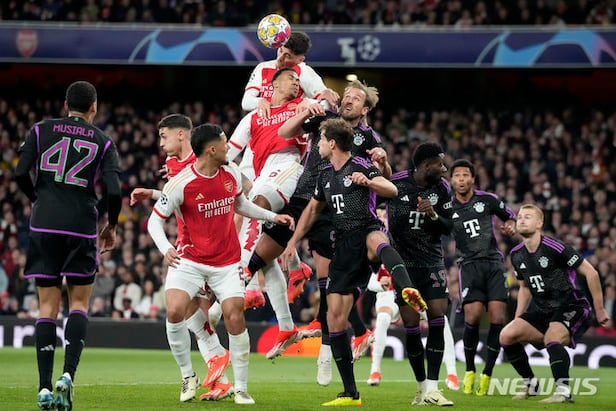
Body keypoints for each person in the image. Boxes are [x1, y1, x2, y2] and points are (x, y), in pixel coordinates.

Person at [280, 118, 426, 406]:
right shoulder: (324, 174)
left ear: (332, 143)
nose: (318, 145)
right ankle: (350, 393)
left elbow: (391, 189)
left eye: (321, 140)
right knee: (334, 317)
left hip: (366, 229)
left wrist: (369, 181)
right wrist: (292, 241)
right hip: (343, 247)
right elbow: (312, 210)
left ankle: (408, 288)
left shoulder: (359, 164)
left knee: (377, 241)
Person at [147, 123, 294, 404]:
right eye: (225, 142)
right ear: (212, 150)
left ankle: (241, 388)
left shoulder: (232, 173)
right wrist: (166, 248)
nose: (230, 147)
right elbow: (154, 221)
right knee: (174, 310)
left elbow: (241, 205)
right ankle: (187, 376)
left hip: (226, 262)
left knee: (234, 316)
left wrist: (272, 217)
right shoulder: (180, 183)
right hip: (190, 259)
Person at [253, 80, 390, 376]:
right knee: (260, 255)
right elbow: (284, 132)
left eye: (356, 98)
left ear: (365, 109)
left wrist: (382, 162)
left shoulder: (369, 138)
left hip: (331, 210)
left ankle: (326, 355)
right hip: (302, 198)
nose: (348, 100)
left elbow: (382, 176)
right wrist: (305, 110)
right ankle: (287, 323)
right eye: (347, 95)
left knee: (329, 284)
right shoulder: (324, 119)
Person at [14, 80, 122, 411]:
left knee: (47, 308)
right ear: (94, 107)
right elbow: (114, 191)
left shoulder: (39, 130)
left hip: (44, 225)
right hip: (80, 227)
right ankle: (67, 376)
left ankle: (44, 388)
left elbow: (19, 173)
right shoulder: (103, 141)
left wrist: (38, 199)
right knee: (78, 304)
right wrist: (110, 225)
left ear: (65, 104)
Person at [130, 114, 232, 400]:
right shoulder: (173, 164)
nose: (161, 143)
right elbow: (177, 197)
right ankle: (198, 375)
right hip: (186, 247)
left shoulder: (208, 161)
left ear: (181, 135)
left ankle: (219, 375)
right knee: (181, 312)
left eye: (164, 136)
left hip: (212, 251)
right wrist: (153, 193)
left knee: (197, 316)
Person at [228, 67, 313, 359]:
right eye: (292, 79)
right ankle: (287, 326)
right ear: (274, 85)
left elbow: (323, 105)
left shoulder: (301, 106)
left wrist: (315, 101)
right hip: (265, 172)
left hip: (290, 164)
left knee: (258, 203)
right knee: (266, 252)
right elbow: (227, 153)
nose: (297, 83)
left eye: (299, 81)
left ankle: (244, 279)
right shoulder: (254, 116)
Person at [499, 203, 612, 403]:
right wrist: (518, 318)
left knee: (552, 336)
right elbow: (524, 288)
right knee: (507, 335)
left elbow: (591, 273)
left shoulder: (555, 247)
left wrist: (600, 309)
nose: (521, 220)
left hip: (571, 305)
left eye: (527, 217)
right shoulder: (516, 254)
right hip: (543, 309)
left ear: (539, 223)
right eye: (520, 217)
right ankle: (531, 385)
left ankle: (563, 392)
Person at [385, 142, 455, 406]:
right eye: (439, 164)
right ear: (426, 165)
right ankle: (421, 387)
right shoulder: (396, 184)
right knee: (411, 325)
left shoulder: (442, 189)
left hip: (432, 263)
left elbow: (448, 227)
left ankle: (434, 389)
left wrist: (433, 215)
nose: (444, 169)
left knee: (437, 318)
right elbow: (373, 203)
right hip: (404, 267)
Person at [449, 159, 517, 395]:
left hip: (493, 264)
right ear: (451, 180)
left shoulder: (487, 200)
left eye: (465, 175)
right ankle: (469, 370)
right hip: (469, 266)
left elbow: (509, 217)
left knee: (497, 317)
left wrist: (510, 225)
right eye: (457, 175)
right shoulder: (448, 206)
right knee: (474, 315)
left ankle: (487, 373)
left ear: (472, 179)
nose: (461, 179)